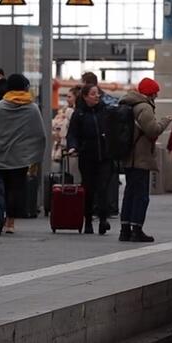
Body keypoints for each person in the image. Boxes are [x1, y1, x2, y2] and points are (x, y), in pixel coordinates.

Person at [0, 74, 45, 234]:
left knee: (2, 185)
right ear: (25, 87)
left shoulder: (0, 106)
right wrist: (35, 155)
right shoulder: (32, 108)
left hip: (1, 155)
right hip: (21, 157)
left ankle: (1, 216)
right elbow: (40, 134)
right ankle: (10, 222)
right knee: (16, 188)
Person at [118, 78, 172, 243]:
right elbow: (152, 130)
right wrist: (166, 120)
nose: (156, 95)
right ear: (151, 93)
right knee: (141, 195)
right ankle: (137, 230)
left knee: (129, 193)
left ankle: (125, 229)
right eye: (156, 92)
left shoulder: (128, 104)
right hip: (140, 158)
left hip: (128, 156)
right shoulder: (144, 107)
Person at [66, 84, 114, 235]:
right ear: (85, 96)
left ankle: (103, 219)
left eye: (97, 93)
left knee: (103, 188)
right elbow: (72, 134)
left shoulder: (105, 111)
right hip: (87, 156)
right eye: (93, 94)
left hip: (105, 156)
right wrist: (73, 147)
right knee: (89, 189)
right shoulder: (79, 114)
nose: (97, 96)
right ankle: (88, 221)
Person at [52, 85, 80, 162]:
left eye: (69, 97)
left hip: (71, 149)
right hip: (63, 148)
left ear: (76, 98)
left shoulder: (74, 113)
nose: (67, 99)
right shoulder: (64, 110)